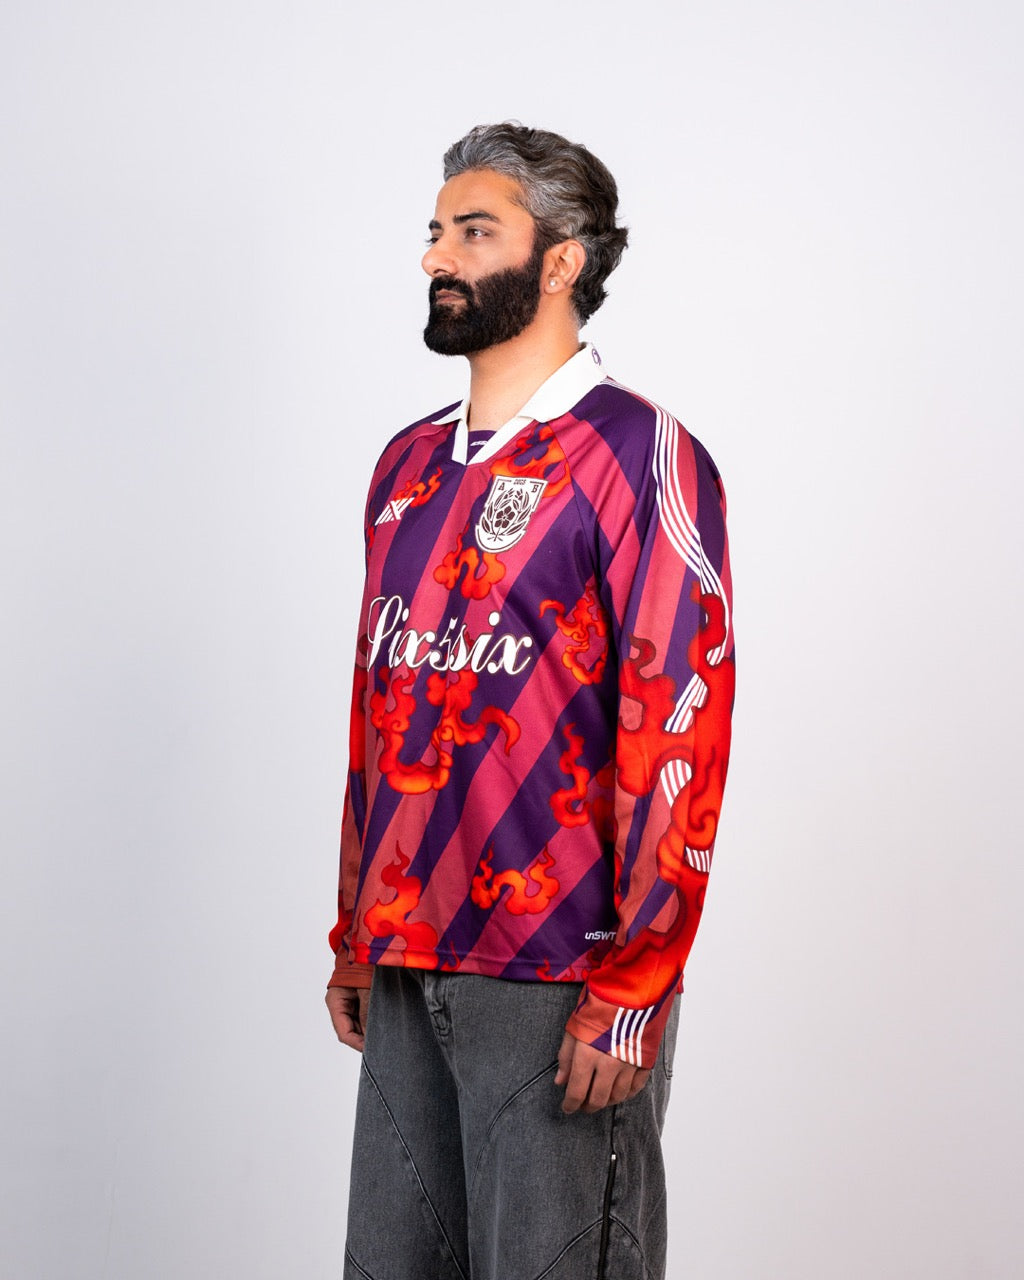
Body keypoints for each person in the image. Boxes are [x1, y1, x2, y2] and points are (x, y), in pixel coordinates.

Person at [325, 122, 735, 1280]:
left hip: (559, 972)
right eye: (435, 232)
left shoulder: (639, 453)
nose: (434, 257)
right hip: (406, 952)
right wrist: (355, 927)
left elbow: (680, 725)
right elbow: (378, 707)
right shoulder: (406, 466)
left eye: (473, 231)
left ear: (560, 260)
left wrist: (634, 986)